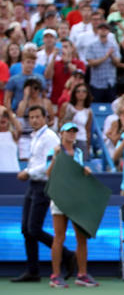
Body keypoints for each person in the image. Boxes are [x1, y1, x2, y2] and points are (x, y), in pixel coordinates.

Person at [12, 105, 75, 283]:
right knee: (26, 229)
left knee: (34, 228)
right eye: (31, 117)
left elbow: (51, 163)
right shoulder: (35, 137)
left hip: (44, 185)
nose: (34, 120)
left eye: (37, 117)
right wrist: (29, 172)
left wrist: (29, 172)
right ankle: (33, 271)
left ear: (45, 118)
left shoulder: (50, 137)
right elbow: (37, 161)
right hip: (33, 184)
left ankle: (67, 254)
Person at [46, 122, 98, 288]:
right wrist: (55, 157)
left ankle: (82, 275)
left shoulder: (79, 152)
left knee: (81, 237)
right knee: (59, 236)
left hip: (76, 198)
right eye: (68, 131)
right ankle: (55, 275)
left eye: (74, 132)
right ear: (61, 133)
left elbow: (77, 173)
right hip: (60, 197)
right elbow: (48, 173)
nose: (71, 134)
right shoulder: (54, 151)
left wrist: (85, 171)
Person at [85, 22, 120, 102]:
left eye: (105, 29)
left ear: (108, 31)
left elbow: (117, 62)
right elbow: (91, 63)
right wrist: (106, 57)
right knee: (96, 106)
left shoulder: (113, 45)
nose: (103, 31)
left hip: (110, 82)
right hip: (97, 83)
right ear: (97, 31)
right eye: (101, 29)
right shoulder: (91, 45)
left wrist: (111, 56)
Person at [0, 105, 21, 172]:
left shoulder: (13, 134)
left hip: (13, 171)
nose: (2, 118)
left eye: (5, 116)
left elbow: (20, 129)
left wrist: (8, 111)